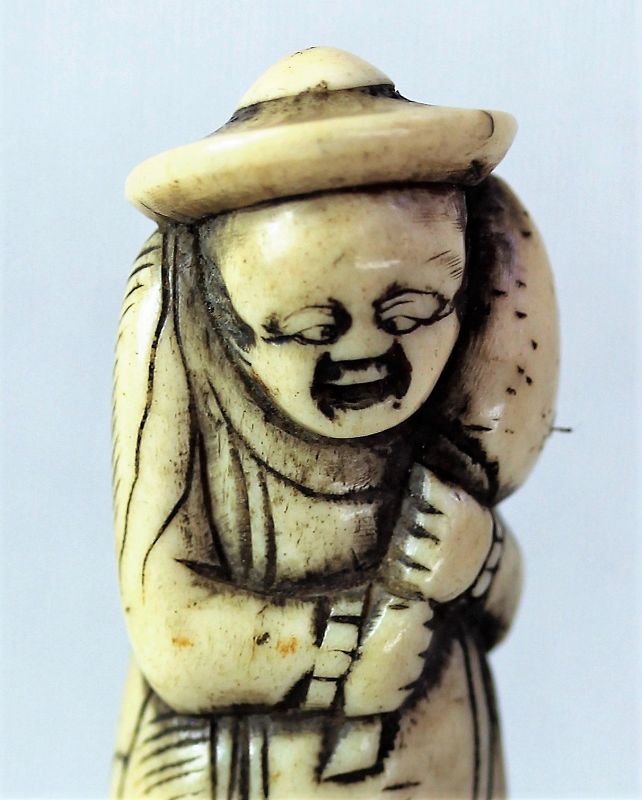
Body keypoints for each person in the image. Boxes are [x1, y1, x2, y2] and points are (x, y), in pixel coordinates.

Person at [111, 48, 559, 800]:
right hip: (239, 769)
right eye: (310, 328)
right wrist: (341, 658)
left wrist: (480, 555)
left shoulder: (446, 445)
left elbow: (500, 609)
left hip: (439, 760)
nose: (363, 356)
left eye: (410, 314)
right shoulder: (176, 337)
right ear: (228, 325)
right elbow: (168, 635)